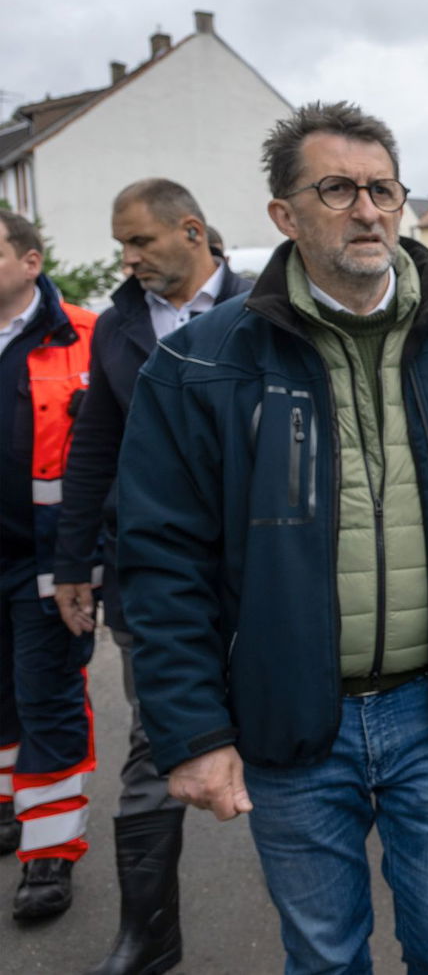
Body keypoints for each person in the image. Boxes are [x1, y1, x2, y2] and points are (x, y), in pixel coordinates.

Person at [116, 101, 428, 974]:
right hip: (291, 723)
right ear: (285, 214)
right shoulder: (201, 363)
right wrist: (192, 732)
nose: (368, 209)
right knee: (324, 956)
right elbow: (160, 565)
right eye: (337, 189)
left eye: (383, 188)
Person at [53, 178, 252, 972]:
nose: (127, 259)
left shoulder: (268, 310)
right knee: (154, 744)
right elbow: (94, 446)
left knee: (295, 746)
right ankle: (149, 936)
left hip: (264, 576)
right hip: (153, 578)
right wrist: (74, 562)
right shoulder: (117, 328)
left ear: (193, 231)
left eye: (139, 242)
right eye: (121, 245)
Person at [0, 210, 96, 922]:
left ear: (31, 262)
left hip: (48, 564)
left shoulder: (88, 336)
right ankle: (10, 807)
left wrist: (85, 563)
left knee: (49, 699)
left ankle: (50, 854)